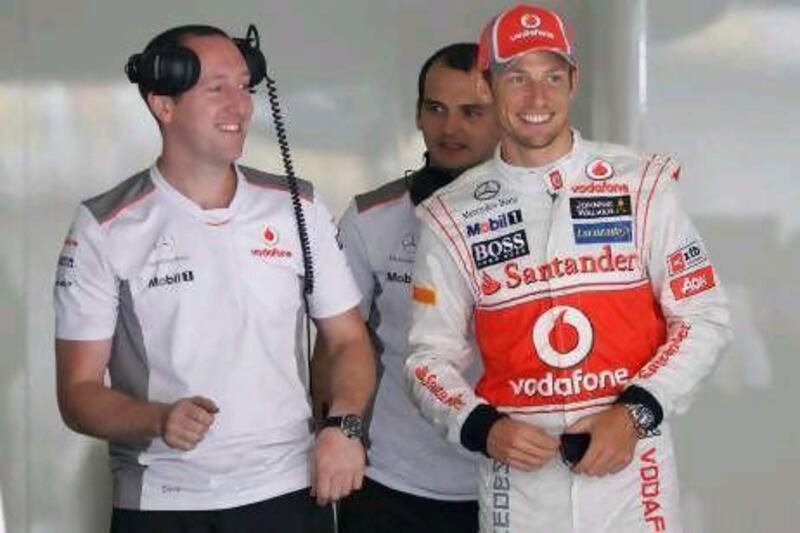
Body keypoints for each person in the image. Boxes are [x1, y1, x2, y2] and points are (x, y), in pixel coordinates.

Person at [405, 4, 731, 532]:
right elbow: (427, 357)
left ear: (573, 80)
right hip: (520, 482)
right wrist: (480, 426)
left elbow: (703, 318)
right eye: (518, 78)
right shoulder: (450, 214)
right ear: (487, 86)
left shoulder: (641, 184)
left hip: (633, 472)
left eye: (552, 77)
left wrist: (634, 413)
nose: (538, 99)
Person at [53, 25, 374, 533]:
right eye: (216, 88)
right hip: (162, 502)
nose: (241, 106)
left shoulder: (298, 206)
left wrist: (344, 426)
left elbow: (349, 339)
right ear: (164, 105)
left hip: (288, 491)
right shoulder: (104, 226)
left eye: (245, 87)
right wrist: (156, 419)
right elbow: (77, 394)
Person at [311, 43, 500, 532]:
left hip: (507, 480)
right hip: (388, 483)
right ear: (417, 115)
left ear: (503, 116)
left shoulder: (545, 218)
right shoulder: (369, 217)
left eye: (471, 112)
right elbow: (334, 343)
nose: (450, 128)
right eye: (435, 109)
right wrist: (334, 433)